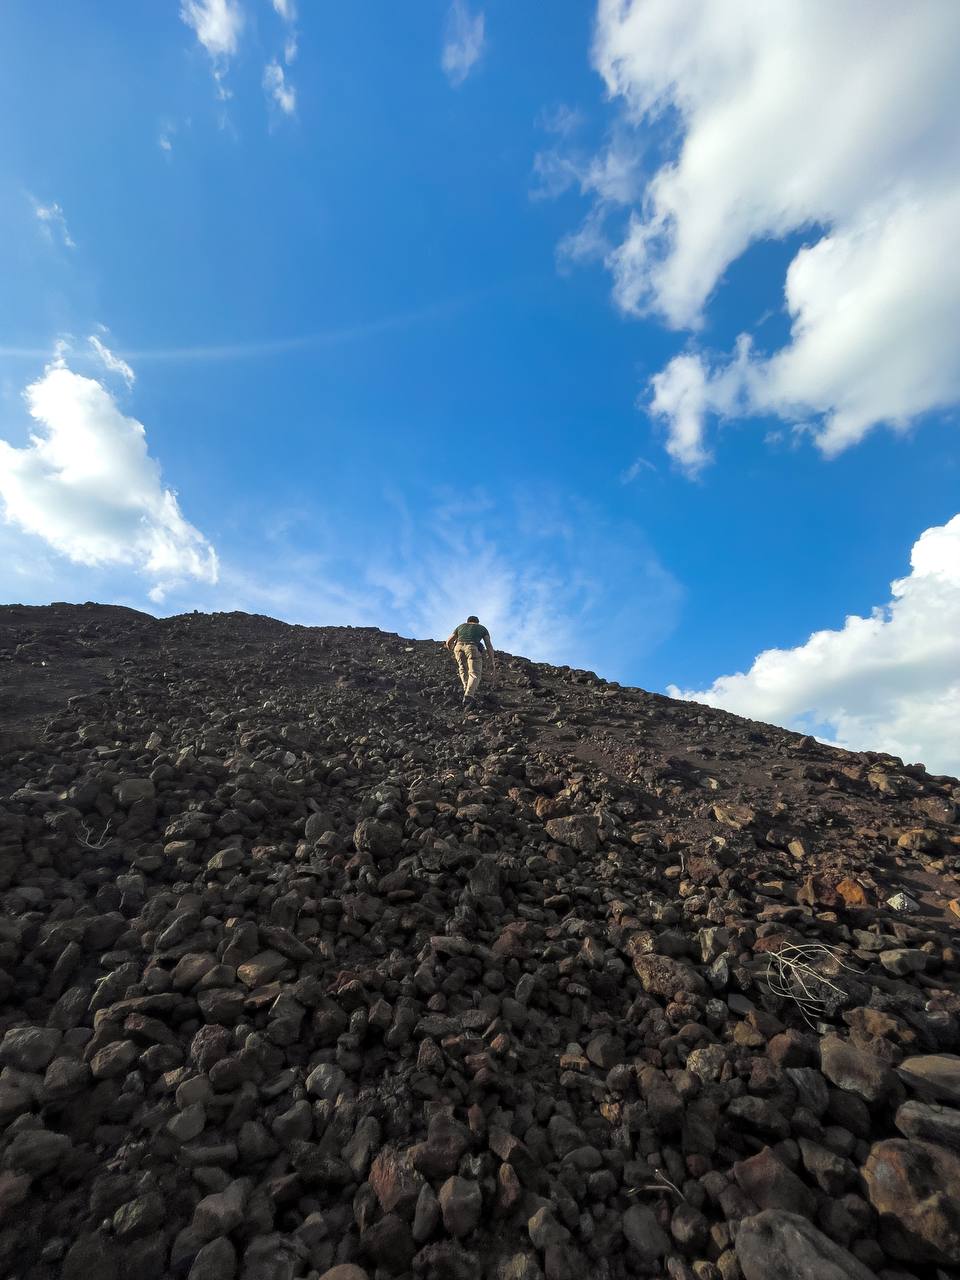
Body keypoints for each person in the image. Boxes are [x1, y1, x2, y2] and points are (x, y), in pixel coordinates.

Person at [445, 615, 495, 709]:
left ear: (467, 621)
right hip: (472, 648)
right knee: (474, 673)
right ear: (477, 622)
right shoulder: (482, 628)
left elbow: (448, 641)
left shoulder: (460, 626)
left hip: (458, 648)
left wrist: (451, 648)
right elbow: (488, 645)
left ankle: (466, 689)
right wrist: (492, 660)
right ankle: (469, 695)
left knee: (462, 669)